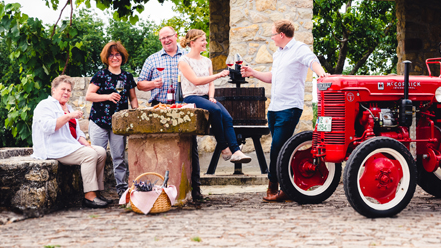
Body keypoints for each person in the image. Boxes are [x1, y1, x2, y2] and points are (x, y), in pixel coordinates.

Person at [241, 20, 326, 202]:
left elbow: (312, 61)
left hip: (290, 108)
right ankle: (287, 188)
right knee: (282, 149)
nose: (271, 38)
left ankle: (275, 188)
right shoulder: (278, 54)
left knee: (277, 148)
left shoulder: (299, 49)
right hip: (274, 109)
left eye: (273, 34)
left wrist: (322, 74)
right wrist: (253, 72)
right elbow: (273, 77)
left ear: (281, 35)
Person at [137, 26, 204, 201]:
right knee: (159, 147)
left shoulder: (188, 57)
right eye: (162, 38)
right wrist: (152, 84)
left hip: (183, 105)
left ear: (175, 37)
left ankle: (194, 188)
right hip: (160, 106)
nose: (166, 40)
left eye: (168, 37)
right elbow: (140, 84)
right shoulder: (153, 59)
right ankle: (160, 188)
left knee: (191, 147)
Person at [32, 75, 109, 208]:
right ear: (54, 89)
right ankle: (89, 197)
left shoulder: (68, 108)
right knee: (89, 155)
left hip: (69, 146)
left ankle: (97, 192)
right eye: (63, 89)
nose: (66, 92)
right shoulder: (45, 105)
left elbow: (78, 134)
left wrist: (88, 145)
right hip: (53, 147)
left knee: (100, 152)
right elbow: (48, 127)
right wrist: (68, 116)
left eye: (69, 90)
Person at [178, 29, 252, 164]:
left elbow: (210, 84)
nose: (206, 42)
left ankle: (236, 152)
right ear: (193, 43)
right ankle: (224, 148)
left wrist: (211, 97)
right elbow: (195, 81)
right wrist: (218, 75)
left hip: (206, 97)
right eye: (202, 40)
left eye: (205, 39)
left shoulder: (207, 61)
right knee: (216, 110)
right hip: (191, 97)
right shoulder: (183, 61)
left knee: (228, 118)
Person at [85, 41, 138, 198]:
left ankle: (122, 191)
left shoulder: (127, 76)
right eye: (111, 55)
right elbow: (89, 95)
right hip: (99, 122)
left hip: (118, 124)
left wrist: (136, 111)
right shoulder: (100, 75)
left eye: (118, 54)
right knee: (97, 156)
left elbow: (133, 98)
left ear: (122, 56)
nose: (115, 57)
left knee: (119, 158)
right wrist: (107, 96)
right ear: (106, 58)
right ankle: (96, 192)